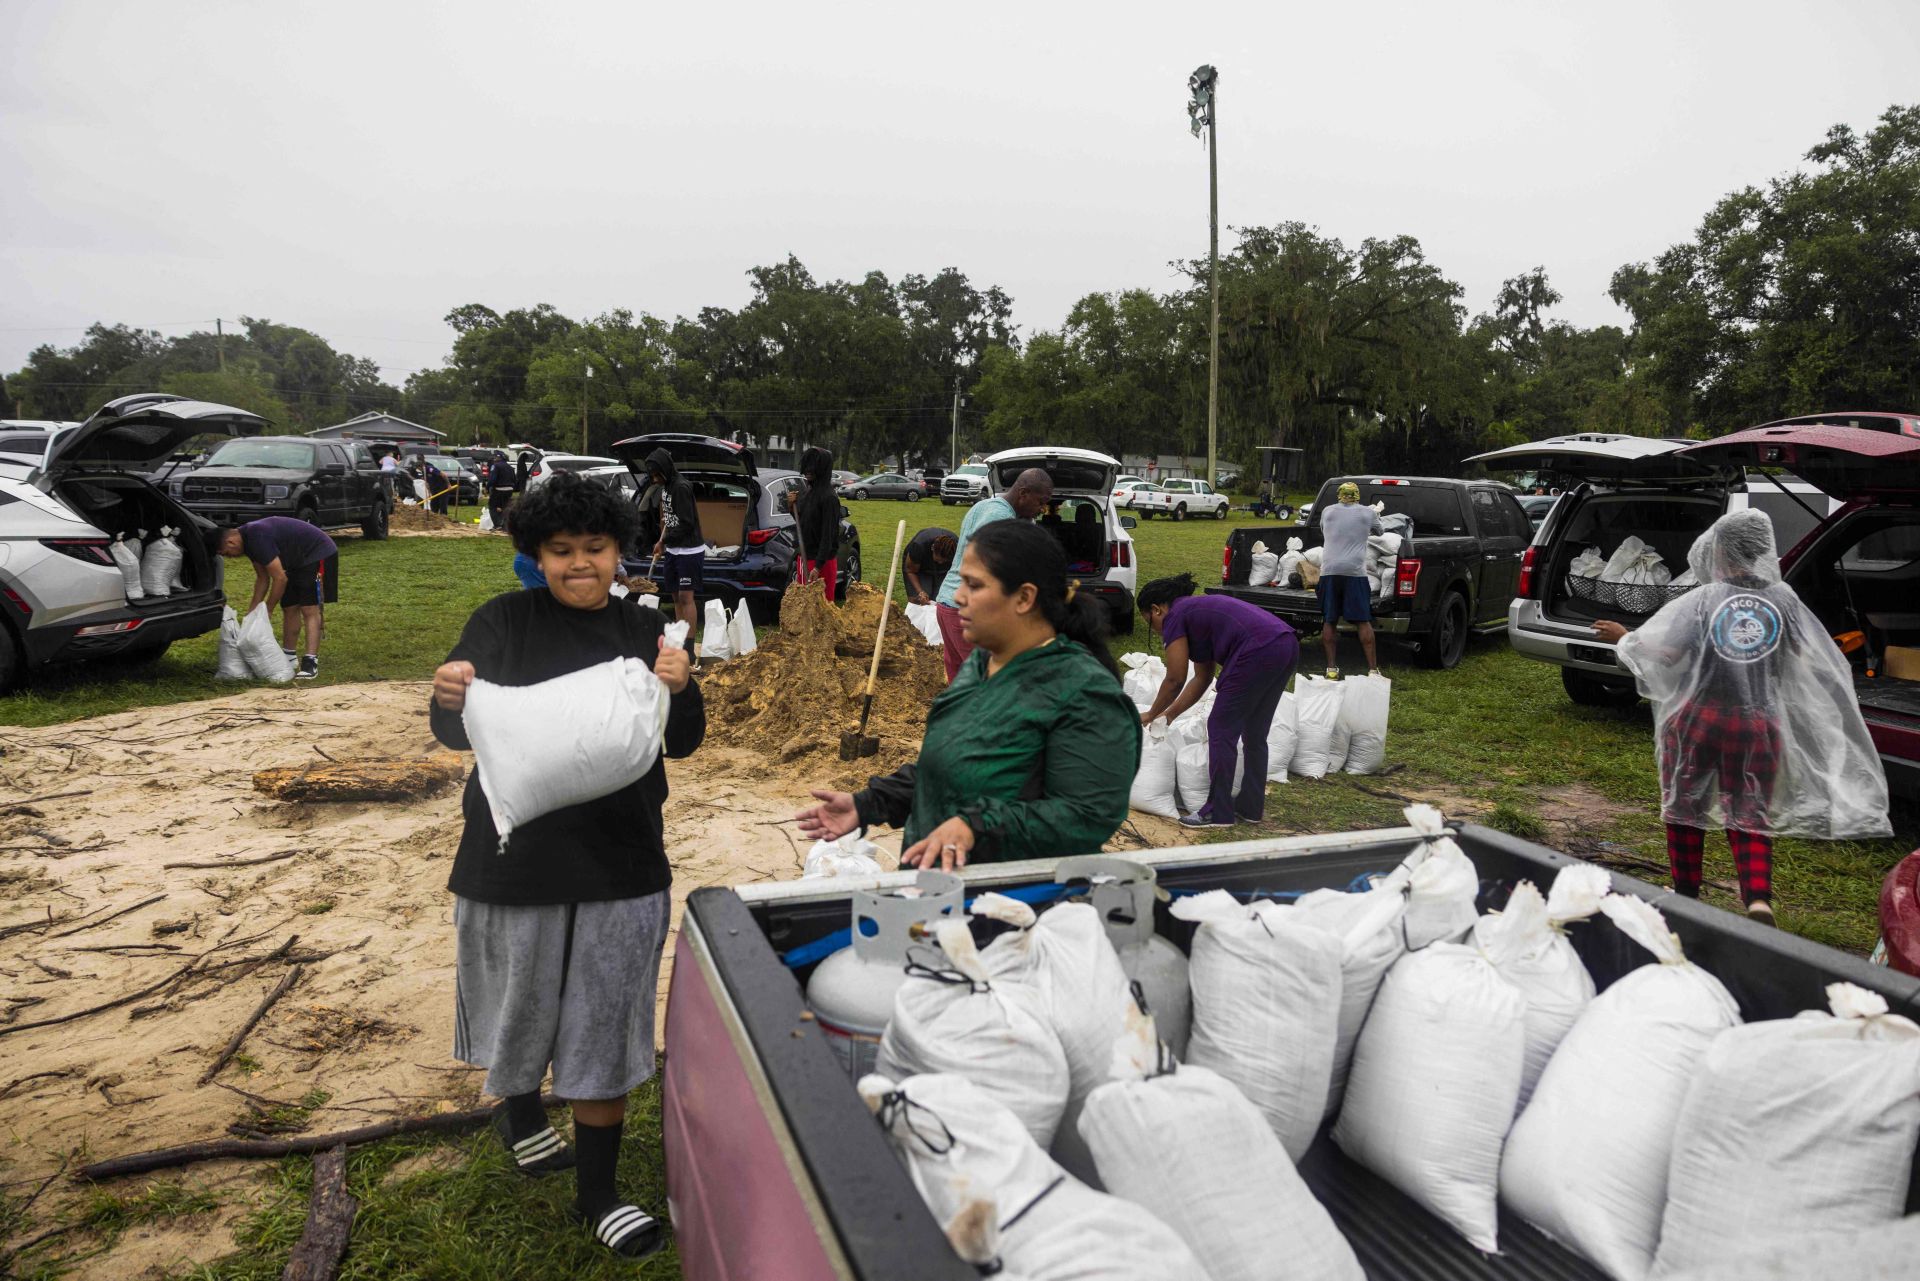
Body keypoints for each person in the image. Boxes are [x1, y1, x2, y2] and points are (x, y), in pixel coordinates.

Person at [428, 474, 701, 1260]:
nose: (580, 564)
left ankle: (598, 1191)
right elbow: (457, 736)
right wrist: (449, 697)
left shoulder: (647, 628)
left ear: (620, 551)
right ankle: (517, 1109)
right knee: (521, 1010)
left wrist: (680, 690)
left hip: (620, 861)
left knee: (605, 1022)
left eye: (595, 548)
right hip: (514, 863)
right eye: (560, 551)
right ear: (535, 555)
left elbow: (680, 742)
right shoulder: (503, 621)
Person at [1593, 509, 1890, 925]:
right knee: (1749, 809)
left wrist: (1626, 640)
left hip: (1697, 719)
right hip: (1758, 724)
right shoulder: (1784, 599)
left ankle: (1686, 893)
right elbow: (1808, 659)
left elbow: (1668, 656)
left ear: (1719, 550)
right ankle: (1757, 901)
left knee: (1685, 804)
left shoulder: (1701, 600)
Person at [795, 520, 1137, 869]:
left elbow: (1087, 814)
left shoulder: (1083, 693)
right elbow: (951, 768)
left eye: (973, 585)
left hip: (1013, 902)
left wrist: (976, 827)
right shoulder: (982, 664)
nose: (958, 596)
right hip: (940, 891)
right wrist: (869, 804)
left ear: (1024, 597)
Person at [1136, 573, 1299, 829]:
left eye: (1149, 622)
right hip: (1285, 643)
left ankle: (1218, 811)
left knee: (1221, 728)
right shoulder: (1195, 614)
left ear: (1156, 610)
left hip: (1256, 649)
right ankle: (1250, 806)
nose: (1157, 631)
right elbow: (1201, 678)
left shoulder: (1175, 617)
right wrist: (1169, 715)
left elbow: (1175, 679)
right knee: (1255, 733)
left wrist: (1151, 712)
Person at [934, 468, 1053, 680]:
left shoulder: (985, 505)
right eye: (1040, 502)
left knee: (962, 680)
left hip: (947, 603)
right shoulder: (1001, 517)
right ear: (1023, 493)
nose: (1043, 509)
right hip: (966, 611)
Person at [217, 517, 338, 681]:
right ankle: (289, 656)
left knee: (309, 609)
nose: (230, 557)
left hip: (318, 553)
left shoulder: (257, 537)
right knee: (289, 606)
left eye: (227, 554)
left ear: (230, 542)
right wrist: (252, 614)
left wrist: (268, 609)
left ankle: (310, 662)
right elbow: (262, 579)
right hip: (295, 562)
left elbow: (280, 579)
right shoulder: (248, 542)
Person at [1317, 481, 1382, 677]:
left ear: (1339, 495)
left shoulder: (1327, 511)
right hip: (1355, 572)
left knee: (1330, 620)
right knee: (1363, 621)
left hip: (1329, 571)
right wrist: (1373, 514)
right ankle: (1372, 669)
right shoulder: (1367, 513)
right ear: (1357, 496)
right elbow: (1381, 532)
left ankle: (1331, 669)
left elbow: (1324, 531)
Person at [645, 447, 705, 623]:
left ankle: (689, 646)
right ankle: (679, 640)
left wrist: (664, 540)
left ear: (666, 469)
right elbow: (668, 518)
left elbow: (686, 523)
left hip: (689, 551)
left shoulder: (681, 488)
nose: (655, 480)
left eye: (658, 475)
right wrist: (662, 541)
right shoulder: (665, 487)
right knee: (676, 598)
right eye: (653, 476)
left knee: (686, 597)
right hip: (673, 550)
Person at [793, 446, 842, 602]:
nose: (808, 471)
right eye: (806, 466)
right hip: (804, 557)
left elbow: (828, 535)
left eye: (812, 467)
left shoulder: (829, 498)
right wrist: (791, 506)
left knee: (822, 609)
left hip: (821, 563)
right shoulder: (807, 493)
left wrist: (818, 566)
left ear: (822, 469)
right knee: (804, 607)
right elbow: (803, 523)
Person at [902, 527, 957, 605]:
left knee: (939, 599)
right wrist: (920, 591)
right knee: (919, 600)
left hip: (944, 571)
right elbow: (911, 571)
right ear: (932, 548)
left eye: (945, 561)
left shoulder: (957, 548)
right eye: (938, 560)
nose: (941, 563)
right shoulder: (919, 546)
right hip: (918, 568)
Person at [488, 450, 516, 528]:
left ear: (498, 457)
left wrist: (487, 487)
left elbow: (492, 479)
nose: (494, 458)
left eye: (495, 457)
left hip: (499, 489)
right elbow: (514, 479)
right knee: (505, 507)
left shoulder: (495, 466)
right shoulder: (510, 467)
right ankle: (505, 525)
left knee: (493, 506)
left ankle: (497, 525)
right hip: (509, 490)